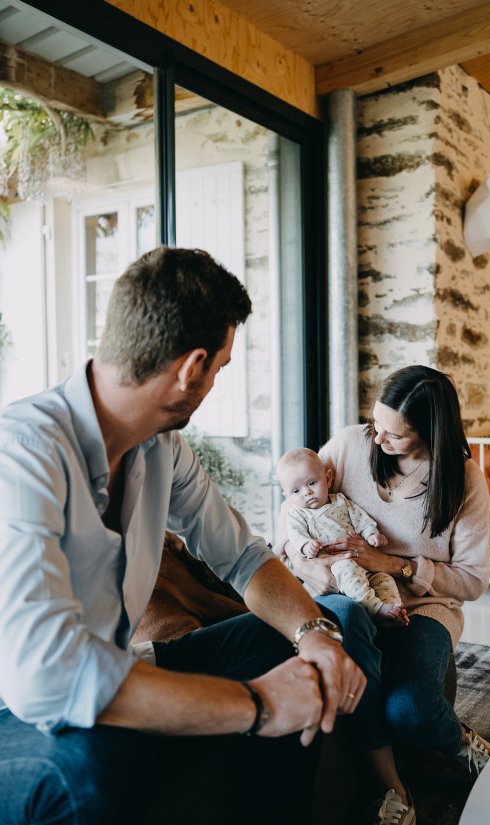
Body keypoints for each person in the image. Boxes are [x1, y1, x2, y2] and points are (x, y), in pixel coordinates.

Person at [0, 247, 366, 825]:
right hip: (16, 709)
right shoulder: (21, 455)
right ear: (192, 367)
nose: (216, 381)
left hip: (122, 662)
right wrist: (260, 703)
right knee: (87, 769)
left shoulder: (162, 448)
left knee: (297, 644)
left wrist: (315, 633)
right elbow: (44, 678)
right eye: (221, 368)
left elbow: (245, 557)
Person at [275, 365, 490, 825]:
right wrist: (305, 562)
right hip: (343, 590)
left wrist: (399, 566)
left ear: (430, 433)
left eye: (393, 434)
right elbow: (292, 503)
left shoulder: (463, 480)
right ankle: (393, 790)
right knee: (352, 620)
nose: (377, 440)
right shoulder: (351, 444)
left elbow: (472, 580)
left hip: (422, 605)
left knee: (411, 710)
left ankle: (460, 742)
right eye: (376, 425)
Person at [276, 447, 408, 626]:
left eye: (312, 483)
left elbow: (360, 518)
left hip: (364, 565)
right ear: (287, 496)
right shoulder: (297, 514)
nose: (306, 492)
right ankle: (376, 609)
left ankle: (394, 609)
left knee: (384, 579)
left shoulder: (340, 501)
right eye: (296, 491)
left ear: (328, 478)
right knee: (348, 572)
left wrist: (371, 534)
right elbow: (295, 535)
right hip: (335, 568)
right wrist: (306, 545)